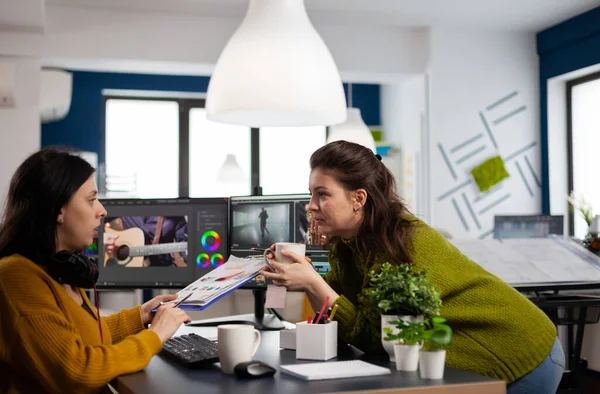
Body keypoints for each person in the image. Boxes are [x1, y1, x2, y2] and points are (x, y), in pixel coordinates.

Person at [261, 141, 564, 393]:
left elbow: (376, 338)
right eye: (311, 194)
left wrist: (313, 283)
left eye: (322, 194)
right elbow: (341, 322)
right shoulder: (346, 245)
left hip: (520, 352)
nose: (310, 205)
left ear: (358, 199)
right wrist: (309, 280)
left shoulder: (405, 241)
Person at [0, 147, 191, 394]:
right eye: (91, 200)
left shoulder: (60, 269)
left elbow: (85, 336)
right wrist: (155, 336)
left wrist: (140, 315)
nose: (102, 210)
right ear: (58, 209)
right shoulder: (17, 277)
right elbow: (79, 371)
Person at [104, 215, 188, 267]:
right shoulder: (128, 203)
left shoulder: (175, 216)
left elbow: (185, 247)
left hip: (161, 268)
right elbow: (97, 218)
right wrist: (102, 236)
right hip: (124, 270)